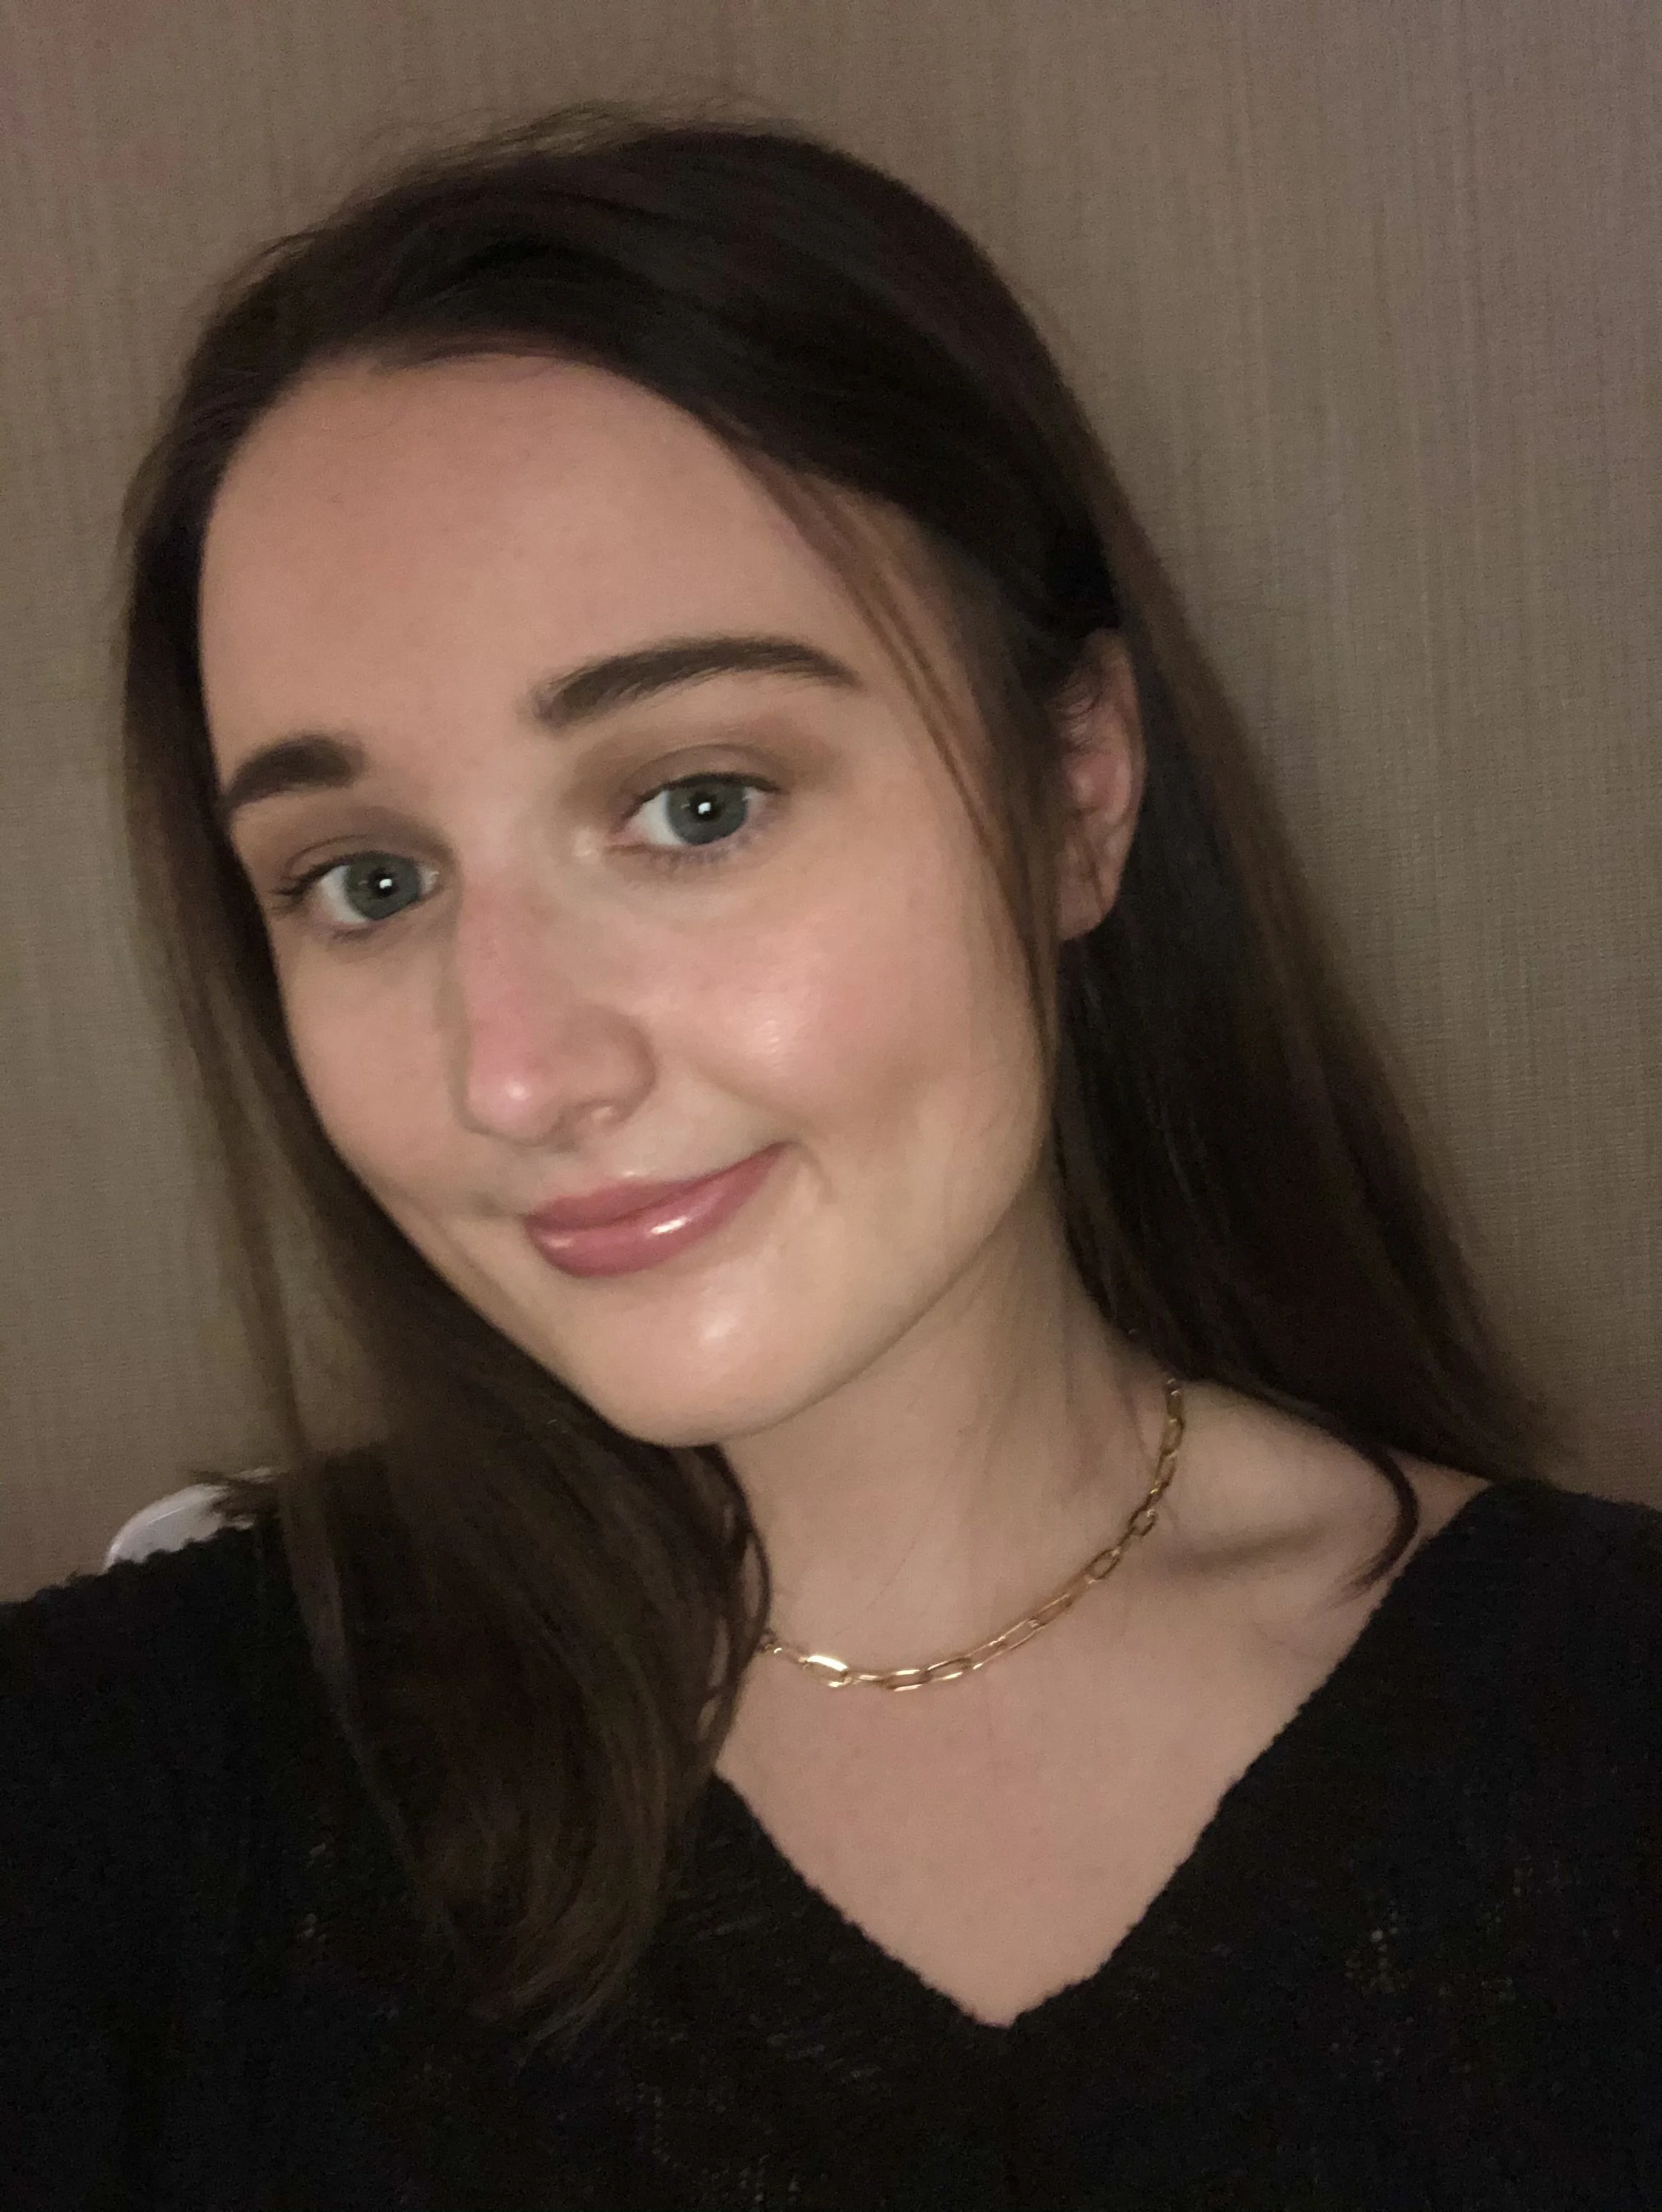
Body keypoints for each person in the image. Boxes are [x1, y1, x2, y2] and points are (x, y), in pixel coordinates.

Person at [1, 103, 1657, 2211]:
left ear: (1080, 789)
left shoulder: (1605, 1751)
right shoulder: (105, 1809)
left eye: (696, 803)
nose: (517, 1074)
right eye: (365, 880)